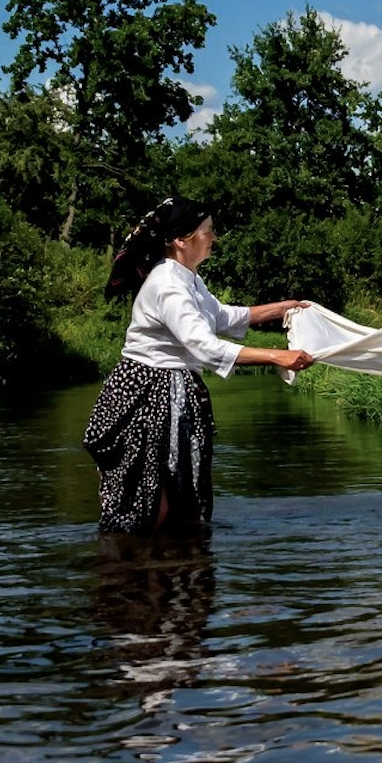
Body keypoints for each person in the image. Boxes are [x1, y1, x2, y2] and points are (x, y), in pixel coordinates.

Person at [84, 198, 314, 534]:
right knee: (152, 505)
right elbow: (202, 345)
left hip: (171, 391)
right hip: (146, 393)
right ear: (182, 239)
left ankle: (170, 573)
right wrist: (276, 356)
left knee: (181, 501)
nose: (214, 237)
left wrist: (284, 308)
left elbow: (222, 316)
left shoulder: (189, 279)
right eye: (208, 231)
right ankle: (136, 573)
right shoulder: (167, 285)